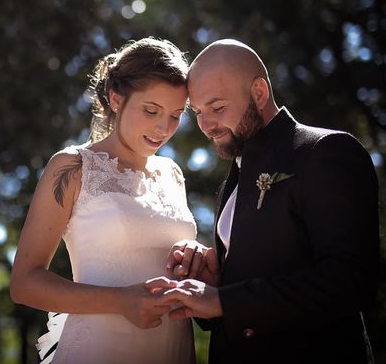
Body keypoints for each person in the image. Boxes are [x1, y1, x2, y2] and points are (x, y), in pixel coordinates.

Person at [158, 39, 379, 364]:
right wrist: (212, 286)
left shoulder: (325, 151)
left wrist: (225, 302)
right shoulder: (233, 179)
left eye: (217, 108)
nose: (205, 126)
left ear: (259, 93)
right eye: (199, 112)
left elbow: (350, 281)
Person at [10, 37, 202, 364]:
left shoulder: (173, 174)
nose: (163, 127)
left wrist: (195, 257)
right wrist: (121, 301)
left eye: (175, 114)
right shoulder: (73, 167)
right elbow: (24, 283)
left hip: (171, 349)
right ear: (116, 99)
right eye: (151, 110)